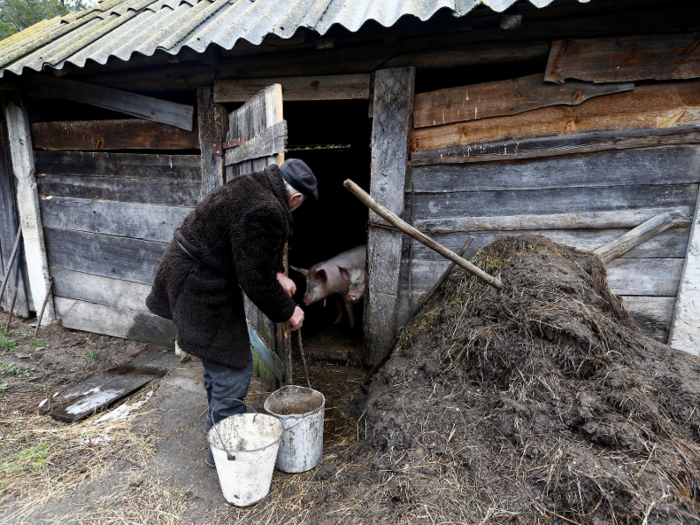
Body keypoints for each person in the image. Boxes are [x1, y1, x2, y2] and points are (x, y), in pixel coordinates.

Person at [145, 158, 318, 468]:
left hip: (192, 273)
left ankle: (217, 432)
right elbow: (253, 277)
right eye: (299, 207)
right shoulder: (268, 209)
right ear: (294, 199)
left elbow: (246, 245)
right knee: (233, 367)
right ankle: (227, 457)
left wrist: (277, 272)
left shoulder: (254, 186)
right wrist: (288, 310)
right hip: (199, 284)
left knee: (218, 360)